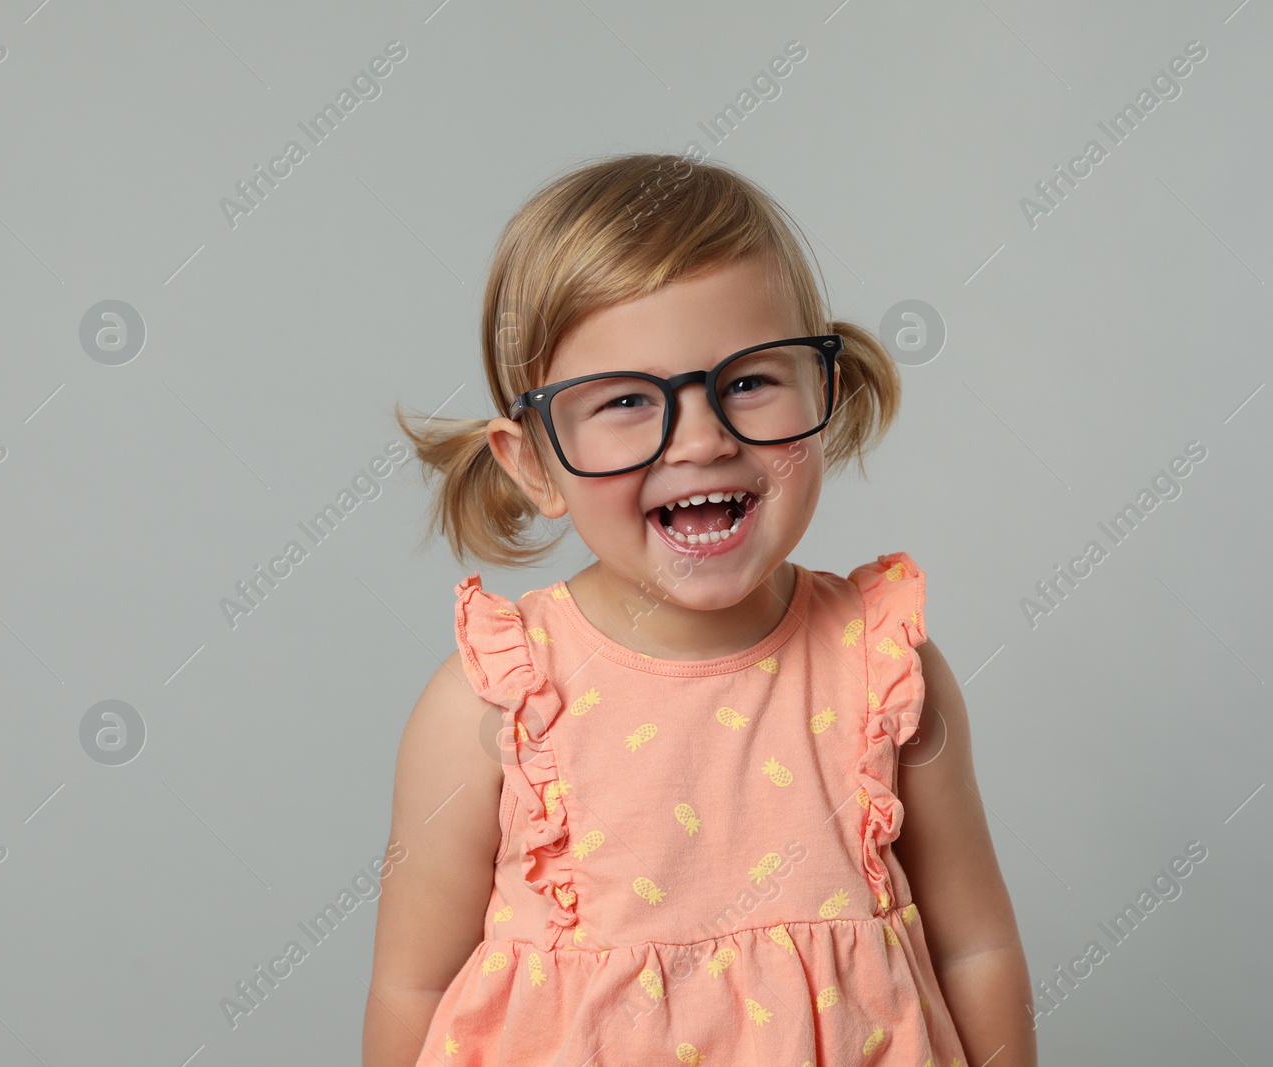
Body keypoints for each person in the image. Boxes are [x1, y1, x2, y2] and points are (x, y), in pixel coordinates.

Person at [363, 152, 1034, 1066]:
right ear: (533, 464)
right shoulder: (493, 704)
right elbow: (412, 987)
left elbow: (976, 947)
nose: (703, 438)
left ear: (824, 394)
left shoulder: (885, 671)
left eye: (750, 380)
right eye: (629, 400)